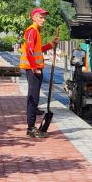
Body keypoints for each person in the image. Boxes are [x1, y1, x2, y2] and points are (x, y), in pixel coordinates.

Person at [19, 7, 59, 138]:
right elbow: (30, 51)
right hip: (33, 69)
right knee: (33, 97)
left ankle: (34, 112)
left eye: (44, 17)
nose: (44, 19)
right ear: (34, 17)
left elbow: (37, 49)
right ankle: (31, 128)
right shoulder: (31, 31)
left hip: (36, 68)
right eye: (41, 17)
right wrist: (34, 67)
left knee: (34, 97)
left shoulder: (36, 31)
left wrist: (50, 45)